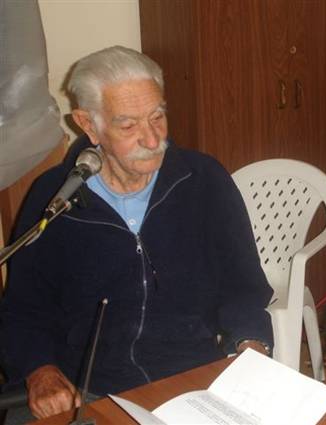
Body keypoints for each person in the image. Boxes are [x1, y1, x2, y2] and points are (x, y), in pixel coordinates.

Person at [0, 45, 273, 421]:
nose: (151, 138)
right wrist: (39, 371)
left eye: (158, 116)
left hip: (194, 376)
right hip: (88, 386)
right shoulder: (55, 198)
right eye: (128, 125)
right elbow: (23, 308)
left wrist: (251, 345)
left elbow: (243, 285)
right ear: (88, 124)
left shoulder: (204, 180)